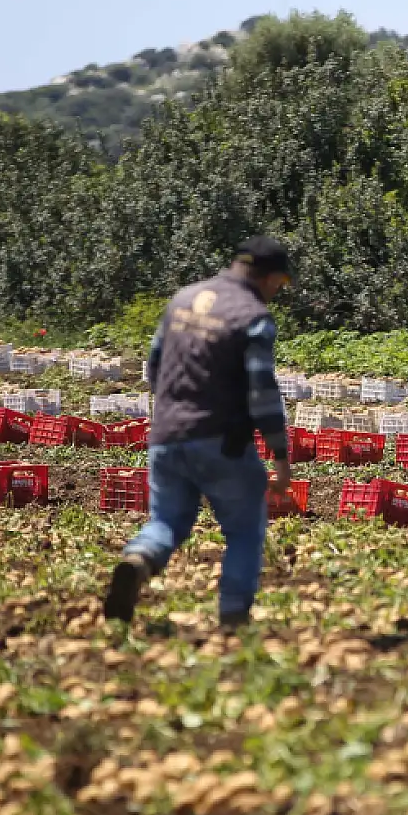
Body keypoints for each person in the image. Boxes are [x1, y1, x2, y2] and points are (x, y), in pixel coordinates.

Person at [103, 236, 294, 628]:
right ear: (270, 277)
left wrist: (172, 414)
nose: (278, 292)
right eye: (280, 284)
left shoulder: (184, 298)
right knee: (244, 527)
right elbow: (261, 389)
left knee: (166, 520)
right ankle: (233, 617)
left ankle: (137, 560)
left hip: (166, 434)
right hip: (220, 440)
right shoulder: (252, 316)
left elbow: (154, 364)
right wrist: (279, 453)